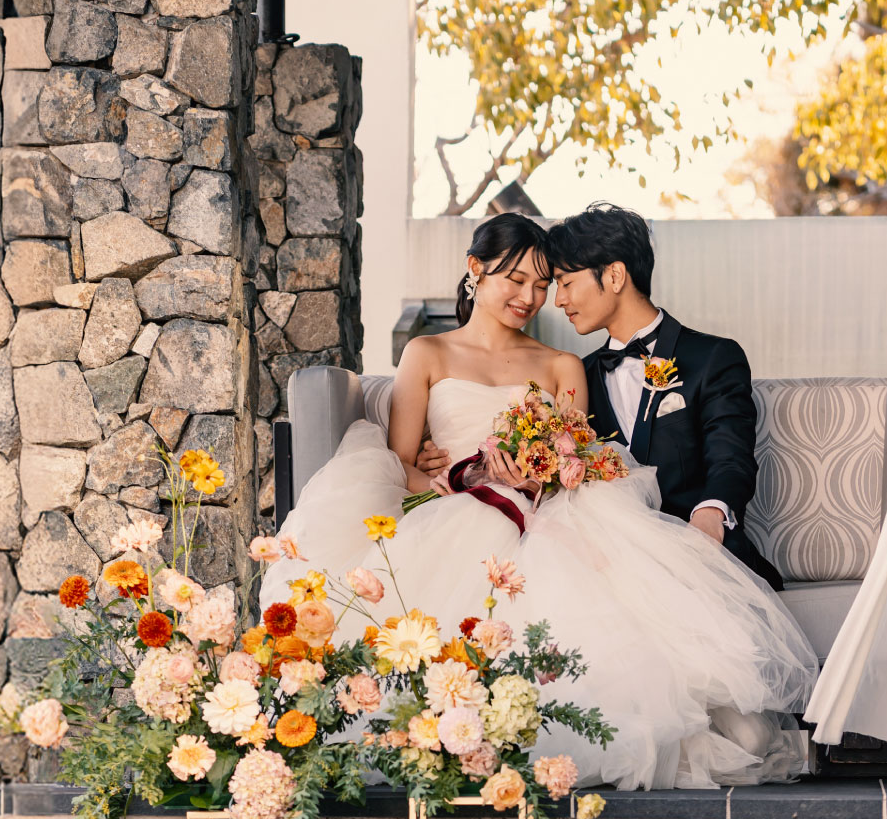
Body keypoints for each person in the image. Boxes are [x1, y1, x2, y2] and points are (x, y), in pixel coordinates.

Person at [262, 213, 817, 789]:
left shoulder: (565, 365)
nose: (533, 297)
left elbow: (583, 462)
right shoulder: (426, 353)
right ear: (475, 269)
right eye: (517, 280)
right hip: (456, 515)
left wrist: (541, 473)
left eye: (546, 284)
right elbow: (401, 464)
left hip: (556, 515)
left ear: (610, 277)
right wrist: (451, 475)